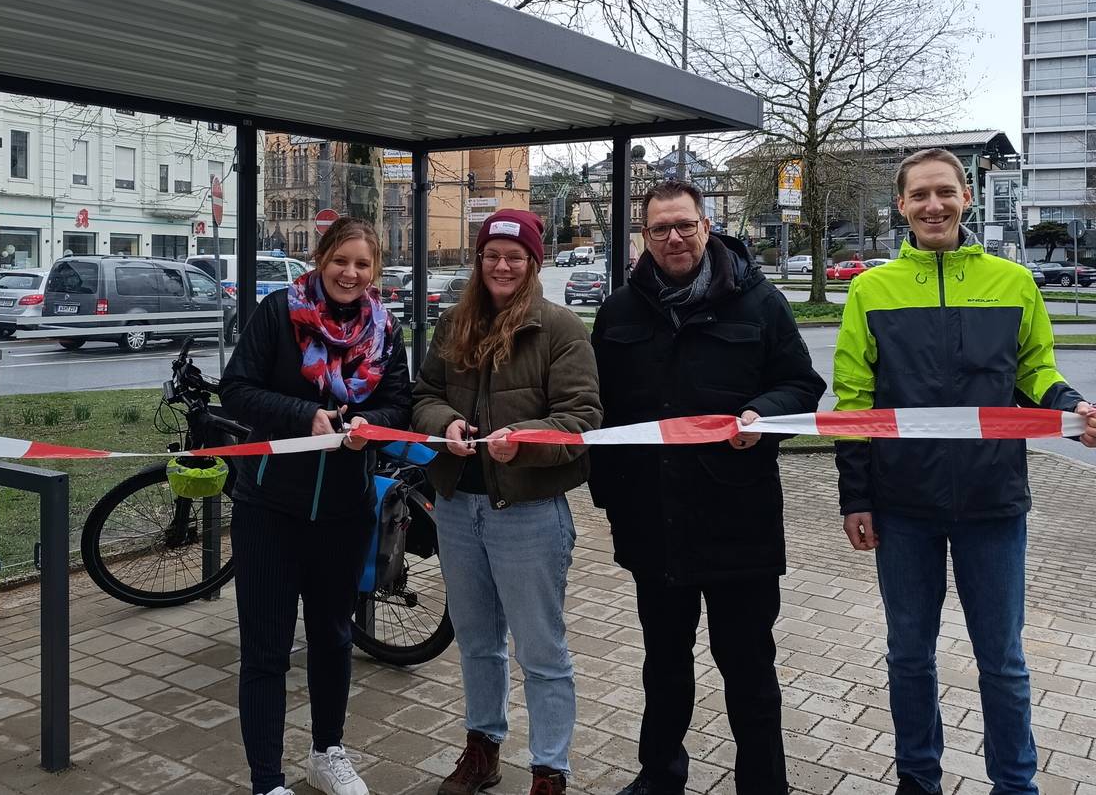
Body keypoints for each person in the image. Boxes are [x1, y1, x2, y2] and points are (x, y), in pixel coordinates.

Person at [833, 148, 1096, 795]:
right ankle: (917, 781)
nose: (933, 205)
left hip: (993, 502)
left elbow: (1035, 372)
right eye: (919, 194)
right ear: (900, 205)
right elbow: (853, 402)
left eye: (944, 192)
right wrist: (855, 497)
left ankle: (1017, 785)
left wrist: (1070, 405)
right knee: (909, 657)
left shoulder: (1014, 282)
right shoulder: (870, 290)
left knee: (1002, 663)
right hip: (903, 506)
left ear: (967, 197)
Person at [590, 180, 825, 795]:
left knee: (748, 670)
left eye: (684, 225)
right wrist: (611, 502)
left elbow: (802, 386)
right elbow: (601, 414)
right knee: (663, 667)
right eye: (660, 228)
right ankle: (659, 777)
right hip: (654, 525)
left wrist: (762, 414)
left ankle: (763, 785)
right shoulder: (619, 311)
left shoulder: (759, 302)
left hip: (737, 523)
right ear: (644, 236)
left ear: (707, 226)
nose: (673, 238)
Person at [412, 209, 602, 795]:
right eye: (492, 254)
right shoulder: (453, 325)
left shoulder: (561, 329)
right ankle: (483, 749)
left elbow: (582, 418)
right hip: (457, 508)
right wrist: (444, 423)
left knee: (541, 648)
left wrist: (525, 443)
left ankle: (550, 767)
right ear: (479, 260)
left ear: (533, 264)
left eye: (514, 257)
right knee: (476, 642)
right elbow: (423, 396)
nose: (502, 265)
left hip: (528, 514)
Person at [221, 218, 412, 795]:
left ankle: (328, 752)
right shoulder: (279, 312)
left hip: (344, 509)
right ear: (319, 258)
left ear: (374, 271)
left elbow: (399, 403)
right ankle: (266, 780)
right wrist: (302, 416)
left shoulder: (385, 330)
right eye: (340, 261)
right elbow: (237, 389)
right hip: (269, 507)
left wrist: (365, 423)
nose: (350, 274)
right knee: (266, 649)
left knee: (332, 637)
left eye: (362, 264)